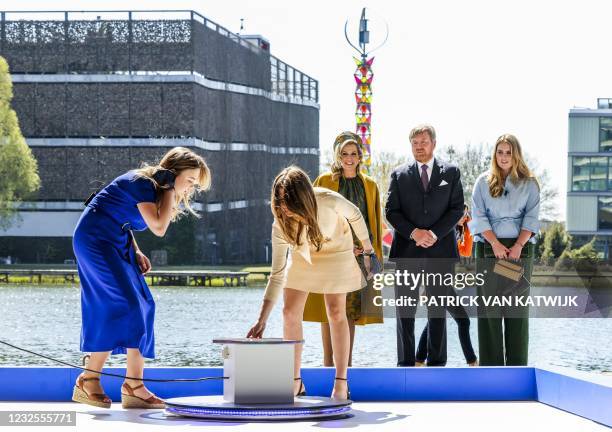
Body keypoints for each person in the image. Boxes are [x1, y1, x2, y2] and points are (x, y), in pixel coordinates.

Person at [72, 147, 211, 408]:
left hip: (115, 240)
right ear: (173, 173)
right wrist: (169, 189)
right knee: (127, 305)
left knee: (145, 305)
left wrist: (135, 250)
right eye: (190, 181)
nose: (191, 189)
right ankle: (92, 379)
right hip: (95, 240)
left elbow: (119, 215)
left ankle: (132, 385)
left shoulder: (152, 188)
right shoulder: (143, 183)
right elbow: (159, 227)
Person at [247, 166, 373, 399]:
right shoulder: (280, 225)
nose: (285, 211)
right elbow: (277, 273)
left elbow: (355, 213)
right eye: (280, 206)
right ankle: (295, 382)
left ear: (304, 198)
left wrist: (368, 249)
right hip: (304, 255)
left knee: (335, 311)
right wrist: (261, 319)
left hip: (336, 249)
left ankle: (341, 383)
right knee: (289, 312)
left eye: (290, 205)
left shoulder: (327, 199)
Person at [385, 124, 464, 367]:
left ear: (434, 144)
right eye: (415, 143)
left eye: (424, 142)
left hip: (441, 251)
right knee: (405, 311)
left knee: (438, 310)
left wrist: (433, 234)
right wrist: (414, 233)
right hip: (407, 251)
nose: (419, 147)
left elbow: (457, 209)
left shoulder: (451, 172)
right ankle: (405, 364)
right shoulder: (399, 174)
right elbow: (391, 211)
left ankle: (437, 363)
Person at [303, 131, 383, 367]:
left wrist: (370, 255)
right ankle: (328, 363)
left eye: (354, 154)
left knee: (350, 312)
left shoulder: (369, 185)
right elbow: (313, 218)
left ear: (360, 156)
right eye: (345, 154)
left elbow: (373, 224)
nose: (349, 158)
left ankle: (345, 365)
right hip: (330, 255)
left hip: (358, 258)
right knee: (329, 309)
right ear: (338, 155)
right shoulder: (323, 181)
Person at [469, 134, 540, 366]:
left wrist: (517, 246)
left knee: (516, 311)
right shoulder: (482, 182)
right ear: (494, 155)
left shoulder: (530, 184)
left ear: (516, 154)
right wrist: (496, 244)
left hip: (519, 251)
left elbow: (531, 217)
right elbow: (479, 217)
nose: (504, 157)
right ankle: (491, 371)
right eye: (500, 152)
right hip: (489, 250)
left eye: (508, 152)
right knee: (489, 310)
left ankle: (517, 369)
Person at [415, 204, 477, 366]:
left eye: (466, 214)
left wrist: (468, 229)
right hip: (435, 281)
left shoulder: (457, 232)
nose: (465, 217)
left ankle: (419, 360)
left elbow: (466, 252)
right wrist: (425, 286)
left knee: (436, 320)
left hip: (445, 283)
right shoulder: (442, 231)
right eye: (463, 214)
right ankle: (472, 361)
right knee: (461, 320)